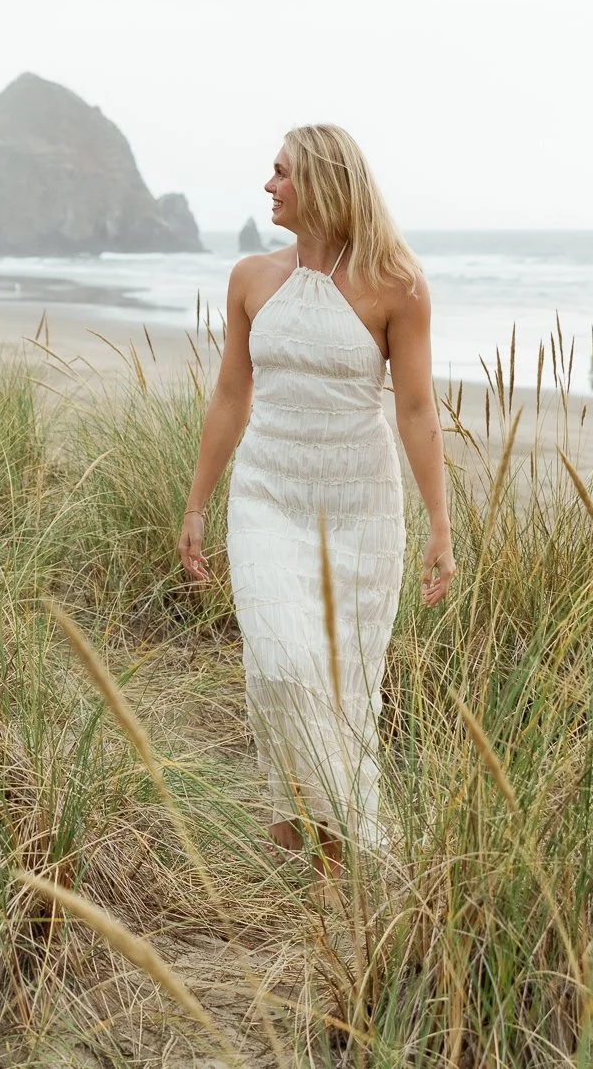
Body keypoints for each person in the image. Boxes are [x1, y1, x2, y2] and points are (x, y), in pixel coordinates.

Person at [178, 124, 455, 871]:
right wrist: (198, 505)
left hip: (360, 508)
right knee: (280, 666)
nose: (268, 186)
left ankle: (318, 859)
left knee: (341, 690)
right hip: (266, 494)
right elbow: (232, 395)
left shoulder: (398, 286)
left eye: (281, 173)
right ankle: (339, 837)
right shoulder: (250, 278)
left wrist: (440, 525)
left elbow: (419, 411)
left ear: (325, 183)